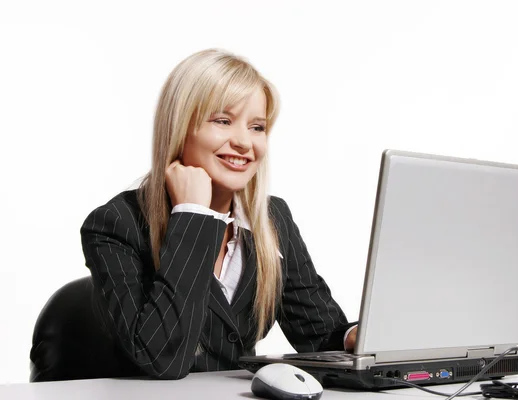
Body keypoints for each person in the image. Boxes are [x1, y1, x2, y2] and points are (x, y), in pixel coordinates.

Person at [80, 48, 357, 380]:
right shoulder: (116, 225)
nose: (243, 142)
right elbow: (160, 359)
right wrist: (193, 215)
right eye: (223, 121)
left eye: (257, 127)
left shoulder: (272, 218)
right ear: (180, 127)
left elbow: (319, 336)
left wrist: (354, 337)